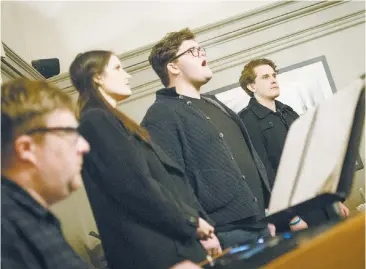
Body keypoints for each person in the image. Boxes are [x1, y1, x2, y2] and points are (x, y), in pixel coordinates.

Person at [69, 50, 221, 269]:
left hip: (170, 241)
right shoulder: (96, 120)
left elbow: (161, 182)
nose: (128, 75)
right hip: (156, 252)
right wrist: (191, 223)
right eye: (118, 68)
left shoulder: (112, 120)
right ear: (97, 77)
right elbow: (134, 185)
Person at [141, 28, 284, 249]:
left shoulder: (213, 102)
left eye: (201, 49)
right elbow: (171, 183)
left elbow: (249, 157)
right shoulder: (161, 114)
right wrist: (200, 233)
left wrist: (268, 209)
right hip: (225, 234)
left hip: (261, 223)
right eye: (193, 51)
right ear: (173, 66)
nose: (202, 54)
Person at [238, 58, 349, 229]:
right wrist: (291, 218)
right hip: (296, 212)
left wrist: (334, 200)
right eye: (266, 77)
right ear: (252, 86)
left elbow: (312, 159)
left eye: (274, 75)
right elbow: (265, 175)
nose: (274, 80)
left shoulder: (288, 112)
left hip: (321, 201)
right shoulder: (247, 121)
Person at [1, 78, 91, 269]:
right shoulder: (5, 229)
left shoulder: (31, 216)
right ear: (27, 148)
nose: (84, 146)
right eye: (71, 134)